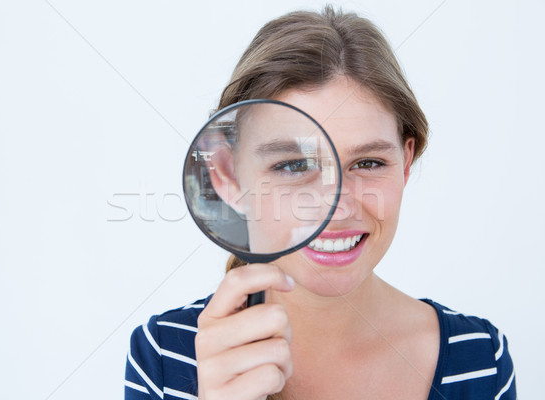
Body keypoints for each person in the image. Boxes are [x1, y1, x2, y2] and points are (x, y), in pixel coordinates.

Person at [124, 6, 516, 400]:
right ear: (227, 175)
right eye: (294, 165)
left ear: (405, 163)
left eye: (368, 162)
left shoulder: (482, 358)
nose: (338, 206)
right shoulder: (164, 356)